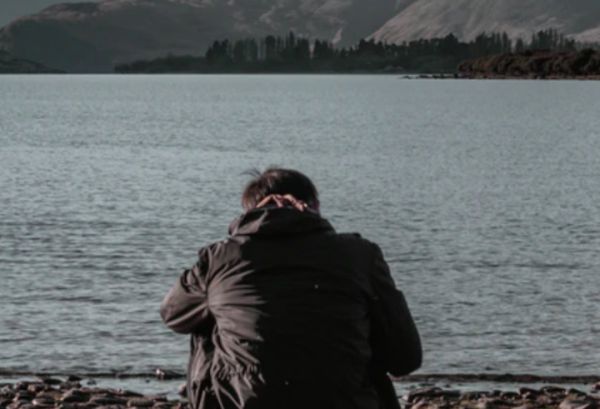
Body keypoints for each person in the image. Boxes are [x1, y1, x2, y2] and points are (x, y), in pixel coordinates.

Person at [160, 168, 422, 409]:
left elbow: (172, 314)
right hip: (345, 402)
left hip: (247, 403)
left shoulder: (220, 258)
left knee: (207, 315)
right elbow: (406, 358)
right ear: (315, 206)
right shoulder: (359, 255)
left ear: (250, 212)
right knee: (365, 323)